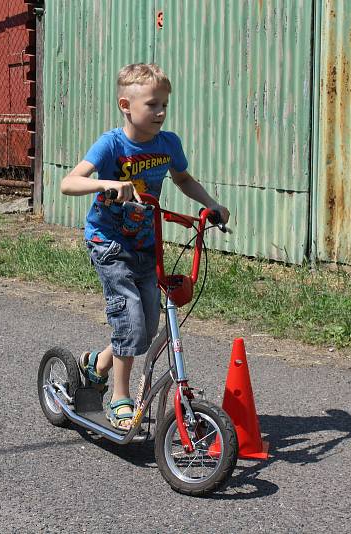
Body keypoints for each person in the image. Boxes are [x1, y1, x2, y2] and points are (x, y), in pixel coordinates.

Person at [60, 63, 230, 430]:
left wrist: (210, 205)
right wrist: (105, 184)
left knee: (146, 326)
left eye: (164, 104)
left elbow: (183, 179)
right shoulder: (111, 144)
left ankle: (96, 365)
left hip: (146, 244)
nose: (161, 112)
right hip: (109, 242)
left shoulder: (168, 144)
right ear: (126, 104)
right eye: (153, 105)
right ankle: (120, 397)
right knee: (129, 317)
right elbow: (68, 182)